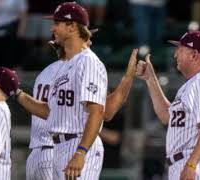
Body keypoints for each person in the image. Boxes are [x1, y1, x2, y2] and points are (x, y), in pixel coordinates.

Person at [16, 2, 138, 179]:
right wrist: (17, 93)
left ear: (72, 27)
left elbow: (98, 112)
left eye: (57, 23)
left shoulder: (88, 62)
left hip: (77, 143)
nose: (53, 28)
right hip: (59, 146)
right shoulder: (64, 68)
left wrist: (81, 152)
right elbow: (50, 112)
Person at [136, 31, 200, 180]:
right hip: (183, 161)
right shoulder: (192, 83)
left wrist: (191, 164)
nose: (176, 55)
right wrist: (150, 79)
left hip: (194, 162)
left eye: (180, 49)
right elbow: (167, 116)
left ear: (194, 55)